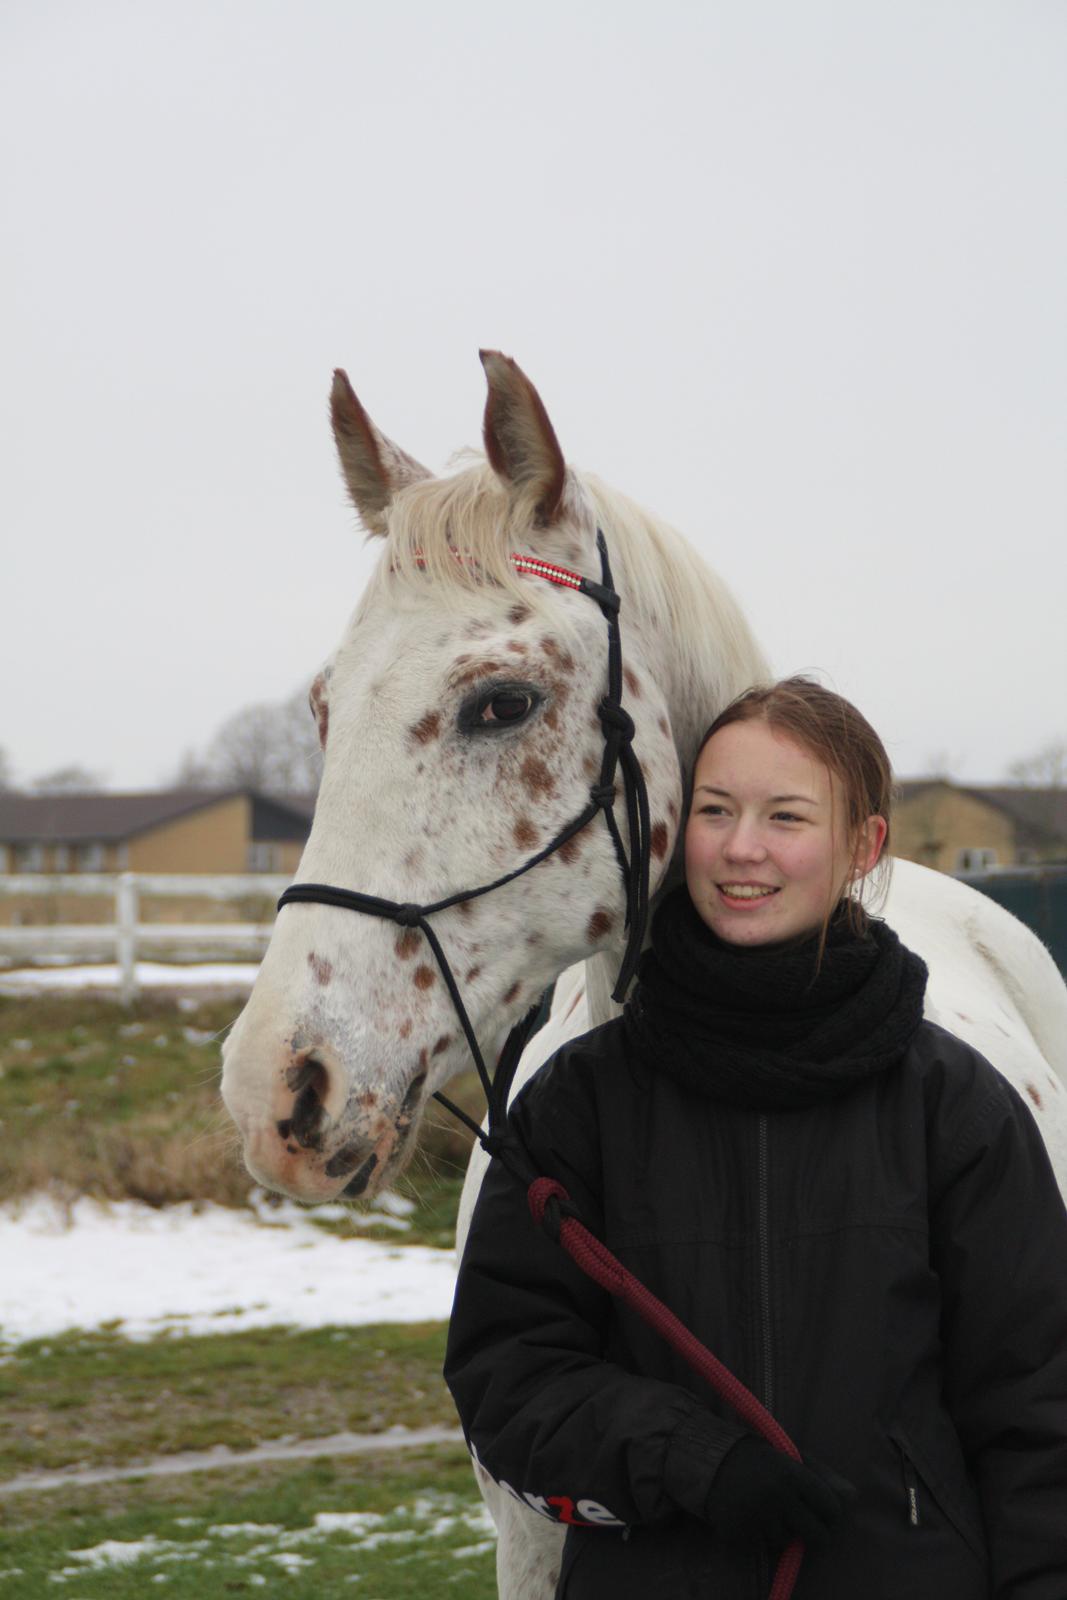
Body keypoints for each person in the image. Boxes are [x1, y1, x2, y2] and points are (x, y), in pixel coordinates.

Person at [444, 677, 1067, 1600]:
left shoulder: (952, 1106)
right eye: (715, 810)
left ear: (862, 846)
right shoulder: (579, 1103)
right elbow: (506, 1374)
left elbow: (1036, 1412)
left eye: (785, 817)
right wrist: (693, 1462)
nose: (742, 848)